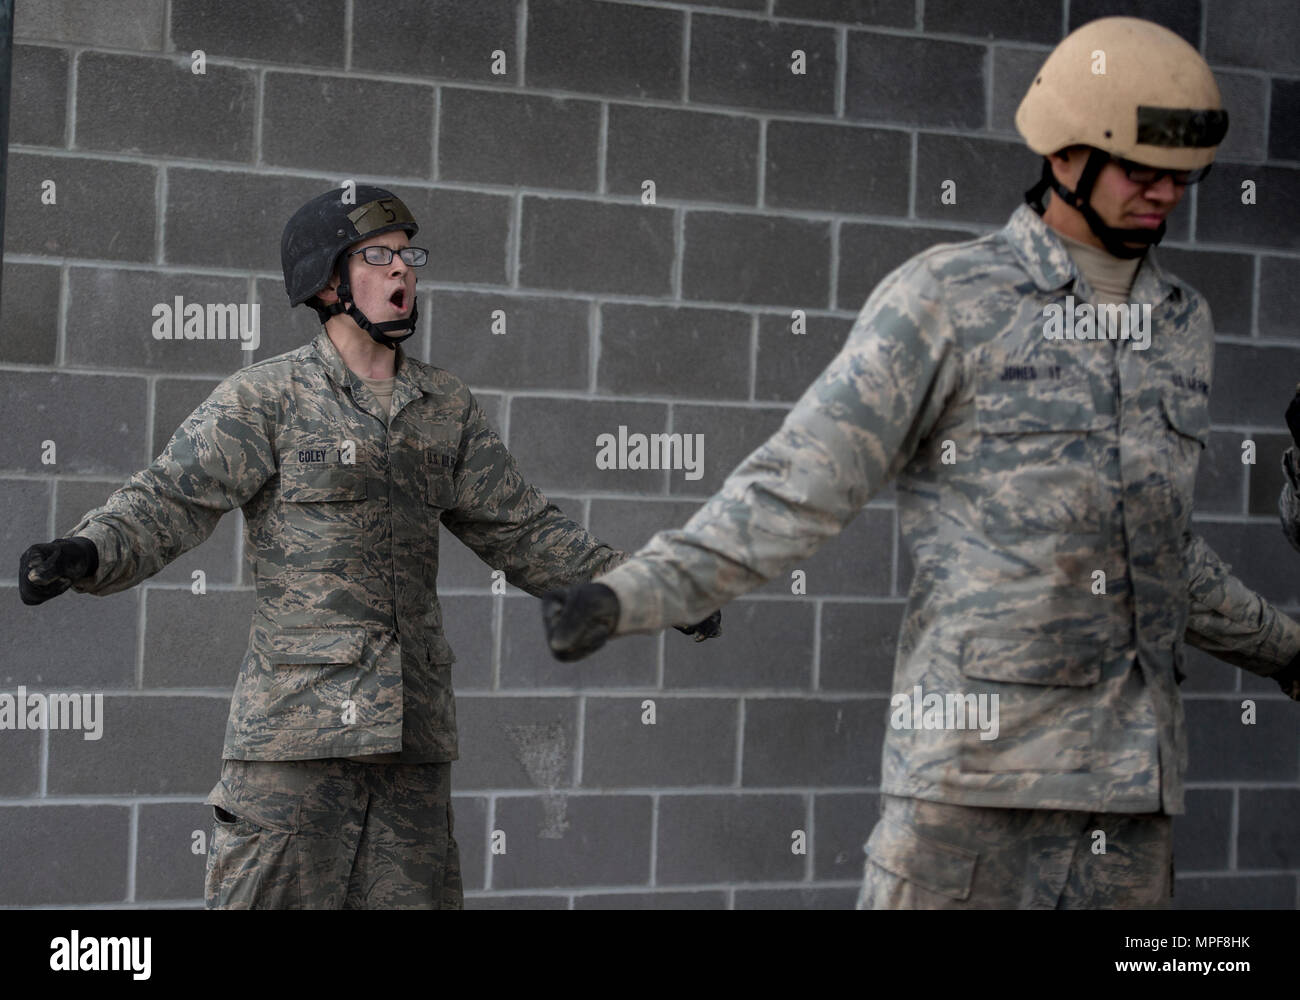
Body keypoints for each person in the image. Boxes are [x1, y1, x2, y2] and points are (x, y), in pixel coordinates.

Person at [541, 17, 1300, 908]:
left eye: (1182, 177)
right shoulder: (947, 297)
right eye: (1141, 171)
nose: (1165, 196)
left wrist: (1286, 649)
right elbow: (798, 484)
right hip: (969, 795)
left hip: (1130, 804)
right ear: (1064, 157)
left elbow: (1157, 554)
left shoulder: (1182, 323)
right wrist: (635, 592)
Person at [18, 184, 719, 909]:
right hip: (297, 740)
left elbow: (525, 528)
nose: (402, 271)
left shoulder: (445, 406)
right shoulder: (267, 398)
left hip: (410, 746)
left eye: (408, 255)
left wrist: (652, 590)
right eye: (377, 256)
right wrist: (89, 550)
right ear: (327, 281)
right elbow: (170, 497)